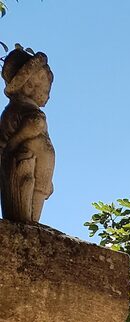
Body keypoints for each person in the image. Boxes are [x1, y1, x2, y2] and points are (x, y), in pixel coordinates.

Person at [0, 45, 55, 223]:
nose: (47, 97)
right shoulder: (19, 110)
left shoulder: (25, 109)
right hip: (23, 164)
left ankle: (33, 221)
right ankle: (28, 221)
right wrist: (16, 141)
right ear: (30, 85)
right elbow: (35, 124)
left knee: (39, 190)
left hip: (39, 169)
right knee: (28, 188)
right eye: (45, 91)